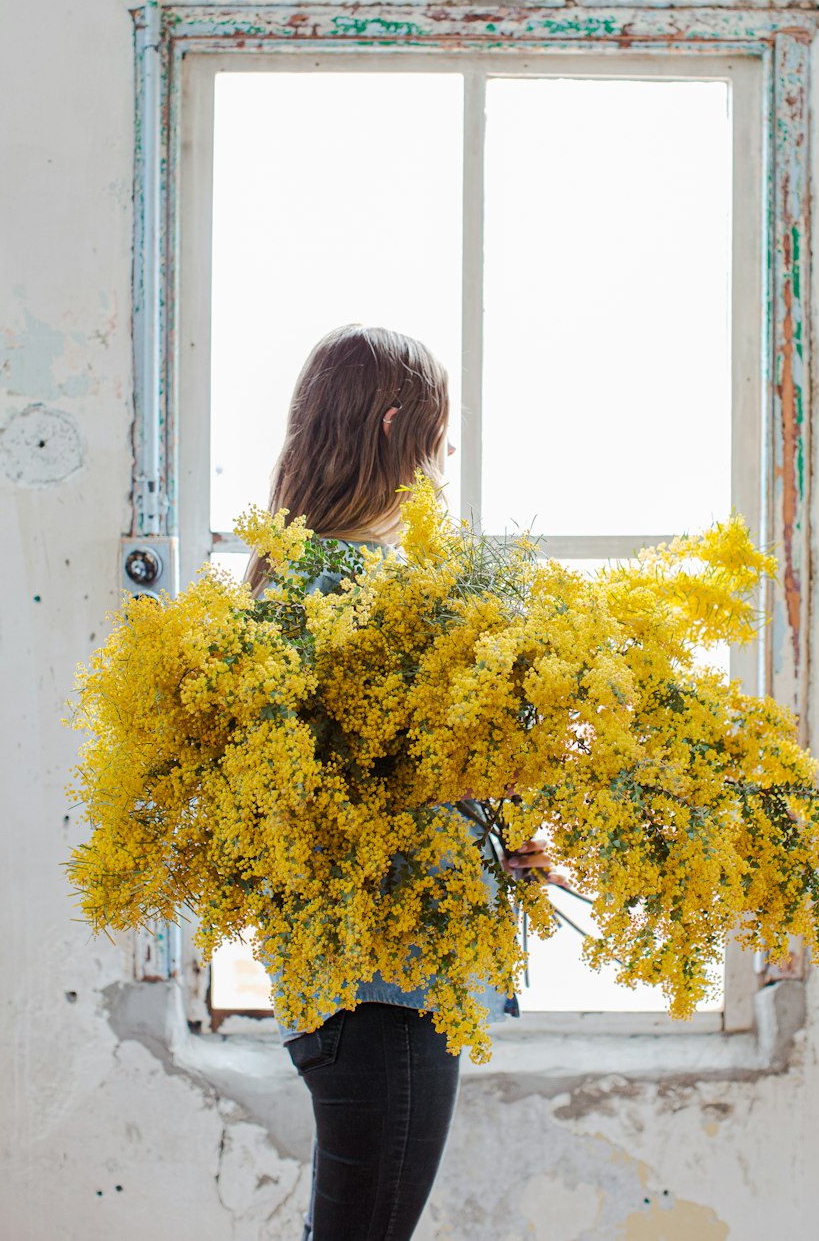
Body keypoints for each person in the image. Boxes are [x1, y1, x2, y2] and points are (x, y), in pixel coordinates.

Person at [245, 323, 563, 1241]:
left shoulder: (302, 576)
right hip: (384, 993)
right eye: (439, 434)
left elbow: (377, 788)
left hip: (351, 987)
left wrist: (490, 850)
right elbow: (392, 786)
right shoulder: (364, 587)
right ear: (396, 425)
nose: (448, 456)